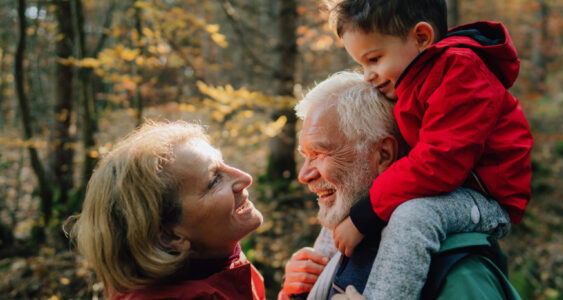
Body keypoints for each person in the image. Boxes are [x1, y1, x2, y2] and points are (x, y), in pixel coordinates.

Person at [327, 0, 534, 298]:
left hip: (485, 200)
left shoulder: (461, 71)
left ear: (421, 38)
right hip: (453, 191)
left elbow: (439, 163)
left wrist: (365, 215)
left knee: (414, 215)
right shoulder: (414, 81)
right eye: (361, 65)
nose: (367, 75)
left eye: (373, 59)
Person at [279, 71, 520, 300]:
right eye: (305, 155)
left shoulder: (461, 274)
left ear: (383, 154)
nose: (304, 175)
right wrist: (295, 294)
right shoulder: (343, 243)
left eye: (320, 153)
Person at [64, 120, 265, 300]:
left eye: (224, 164)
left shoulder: (215, 265)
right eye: (214, 181)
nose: (245, 178)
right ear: (168, 236)